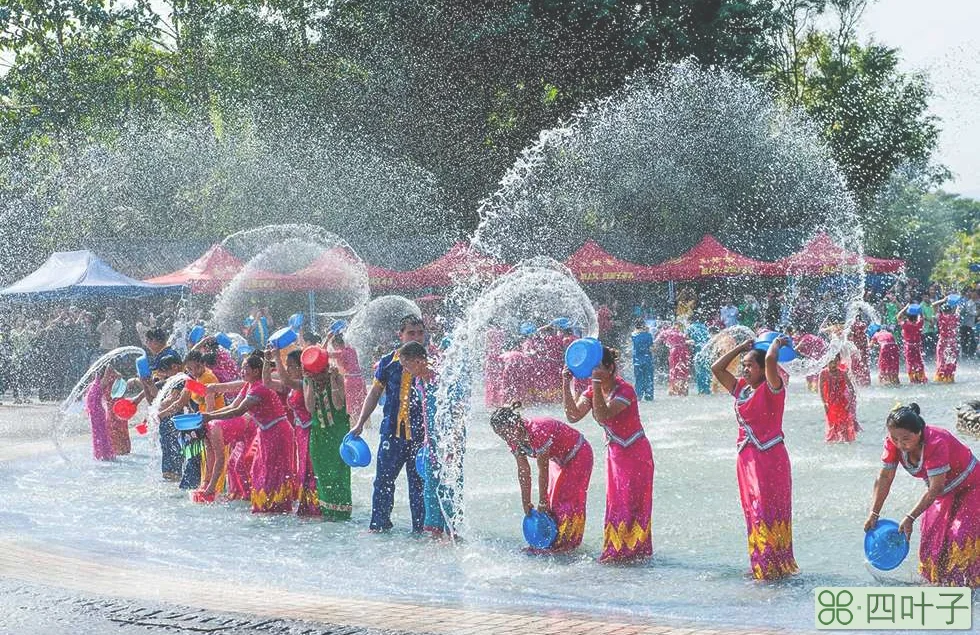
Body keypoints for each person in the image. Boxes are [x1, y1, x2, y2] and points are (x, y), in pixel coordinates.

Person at [711, 337, 799, 581]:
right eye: (744, 366)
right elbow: (717, 369)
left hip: (770, 458)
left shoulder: (774, 388)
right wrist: (741, 349)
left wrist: (777, 343)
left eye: (750, 365)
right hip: (746, 459)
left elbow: (771, 358)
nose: (745, 369)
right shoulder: (741, 389)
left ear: (763, 369)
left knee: (769, 509)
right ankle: (761, 562)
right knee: (753, 510)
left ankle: (775, 564)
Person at [864, 404, 980, 587]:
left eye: (906, 439)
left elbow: (935, 489)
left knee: (960, 534)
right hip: (943, 492)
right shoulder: (894, 444)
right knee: (931, 539)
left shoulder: (936, 442)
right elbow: (885, 477)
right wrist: (874, 513)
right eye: (895, 438)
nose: (900, 444)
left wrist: (910, 517)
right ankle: (939, 584)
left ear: (920, 432)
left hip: (972, 486)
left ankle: (969, 586)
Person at [563, 346, 653, 564]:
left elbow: (603, 416)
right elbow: (573, 416)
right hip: (615, 453)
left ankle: (631, 552)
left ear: (610, 368)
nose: (593, 372)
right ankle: (617, 550)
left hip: (635, 454)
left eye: (598, 368)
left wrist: (593, 383)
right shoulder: (594, 391)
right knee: (615, 501)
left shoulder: (626, 390)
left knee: (630, 502)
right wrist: (565, 383)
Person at [351, 315, 426, 532]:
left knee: (419, 486)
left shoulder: (431, 363)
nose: (417, 337)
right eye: (411, 333)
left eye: (420, 333)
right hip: (392, 434)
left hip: (421, 437)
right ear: (400, 335)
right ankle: (379, 525)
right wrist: (360, 423)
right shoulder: (387, 362)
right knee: (383, 482)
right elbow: (375, 392)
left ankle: (420, 530)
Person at [201, 352, 296, 513]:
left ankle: (277, 506)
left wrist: (210, 416)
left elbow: (238, 411)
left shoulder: (259, 388)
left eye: (246, 368)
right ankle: (265, 504)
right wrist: (209, 416)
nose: (242, 371)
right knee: (259, 469)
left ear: (256, 371)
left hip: (278, 432)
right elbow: (232, 407)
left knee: (273, 471)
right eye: (242, 367)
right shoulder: (248, 385)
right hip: (266, 432)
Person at [490, 404, 593, 553]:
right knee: (552, 501)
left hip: (578, 453)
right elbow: (524, 471)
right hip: (558, 459)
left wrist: (541, 500)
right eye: (501, 435)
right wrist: (526, 503)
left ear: (516, 423)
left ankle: (567, 544)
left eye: (506, 433)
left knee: (564, 499)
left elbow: (542, 470)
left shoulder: (537, 430)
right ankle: (551, 540)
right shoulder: (512, 438)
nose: (506, 438)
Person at [264, 348, 321, 517]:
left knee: (310, 469)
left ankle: (315, 507)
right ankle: (306, 506)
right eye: (287, 366)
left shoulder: (306, 383)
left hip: (311, 430)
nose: (288, 369)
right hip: (300, 431)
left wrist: (276, 357)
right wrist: (267, 362)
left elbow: (286, 380)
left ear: (301, 367)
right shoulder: (292, 385)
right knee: (303, 468)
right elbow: (267, 382)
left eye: (291, 366)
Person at [304, 345, 352, 521]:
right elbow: (310, 408)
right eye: (315, 374)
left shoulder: (337, 377)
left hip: (338, 433)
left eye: (321, 373)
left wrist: (332, 381)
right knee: (322, 475)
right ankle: (327, 513)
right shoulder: (308, 381)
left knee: (339, 473)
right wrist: (309, 382)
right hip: (318, 435)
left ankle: (342, 512)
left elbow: (339, 404)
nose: (319, 377)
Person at [817, 354, 860, 443]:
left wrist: (850, 403)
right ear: (827, 362)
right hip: (830, 403)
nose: (833, 364)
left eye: (836, 361)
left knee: (844, 424)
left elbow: (851, 388)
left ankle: (845, 442)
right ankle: (833, 443)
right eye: (831, 362)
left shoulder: (842, 373)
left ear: (839, 362)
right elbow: (820, 389)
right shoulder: (823, 373)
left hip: (842, 402)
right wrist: (824, 403)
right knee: (832, 424)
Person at [326, 331, 367, 419]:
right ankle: (368, 429)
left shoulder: (340, 353)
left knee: (352, 410)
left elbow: (323, 354)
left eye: (334, 347)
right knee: (363, 407)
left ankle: (354, 430)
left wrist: (327, 339)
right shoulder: (352, 350)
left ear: (336, 345)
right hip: (360, 380)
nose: (334, 349)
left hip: (351, 381)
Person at [653, 322, 692, 396]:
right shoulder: (681, 333)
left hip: (674, 352)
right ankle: (684, 391)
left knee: (674, 371)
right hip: (684, 351)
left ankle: (673, 391)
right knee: (683, 371)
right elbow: (688, 341)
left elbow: (655, 342)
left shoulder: (665, 332)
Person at [897, 304, 927, 384]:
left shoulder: (906, 325)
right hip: (917, 346)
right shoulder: (918, 324)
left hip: (909, 347)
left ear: (908, 317)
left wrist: (905, 308)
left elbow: (898, 317)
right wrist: (920, 311)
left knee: (910, 362)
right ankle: (921, 377)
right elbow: (922, 317)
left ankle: (913, 379)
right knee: (919, 361)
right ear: (916, 317)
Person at [932, 296, 960, 383]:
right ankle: (949, 378)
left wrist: (943, 300)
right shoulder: (955, 317)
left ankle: (941, 378)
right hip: (952, 342)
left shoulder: (940, 318)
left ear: (942, 311)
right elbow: (958, 309)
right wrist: (956, 303)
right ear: (951, 310)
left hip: (942, 342)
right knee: (951, 360)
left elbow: (933, 305)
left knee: (941, 360)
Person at [630, 320, 654, 401]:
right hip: (647, 360)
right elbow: (652, 348)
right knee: (649, 378)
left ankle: (638, 396)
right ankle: (649, 396)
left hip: (637, 361)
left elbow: (634, 333)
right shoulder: (648, 335)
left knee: (638, 379)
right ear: (643, 326)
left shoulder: (633, 335)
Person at [686, 321, 712, 395]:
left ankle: (701, 390)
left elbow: (688, 339)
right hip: (706, 352)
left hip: (699, 352)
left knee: (699, 371)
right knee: (706, 370)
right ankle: (707, 390)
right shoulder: (704, 327)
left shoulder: (691, 327)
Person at [958, 290, 977, 359]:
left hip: (971, 325)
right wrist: (976, 313)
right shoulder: (967, 302)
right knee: (965, 341)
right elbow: (968, 312)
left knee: (972, 341)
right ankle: (964, 355)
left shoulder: (974, 302)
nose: (969, 293)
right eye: (968, 292)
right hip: (965, 325)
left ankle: (969, 355)